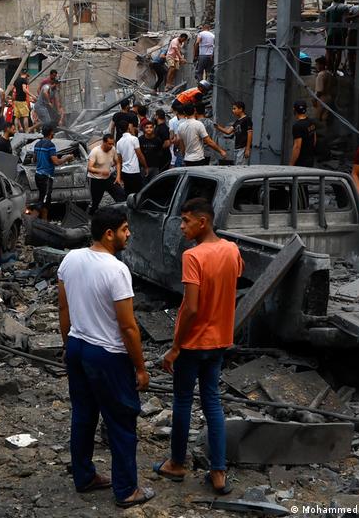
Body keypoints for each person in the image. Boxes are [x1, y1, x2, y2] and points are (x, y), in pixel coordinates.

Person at [57, 207, 155, 509]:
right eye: (125, 229)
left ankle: (85, 476)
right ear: (109, 233)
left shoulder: (70, 259)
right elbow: (128, 327)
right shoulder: (116, 270)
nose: (129, 235)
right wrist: (140, 368)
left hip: (77, 345)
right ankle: (126, 490)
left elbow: (63, 310)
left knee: (84, 415)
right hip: (107, 355)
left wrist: (68, 344)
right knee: (122, 420)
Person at [153, 198, 242, 498]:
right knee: (213, 404)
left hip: (192, 342)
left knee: (182, 402)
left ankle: (177, 463)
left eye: (186, 221)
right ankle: (218, 472)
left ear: (202, 222)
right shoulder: (231, 250)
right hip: (219, 340)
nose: (181, 226)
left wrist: (175, 347)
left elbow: (190, 308)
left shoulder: (193, 256)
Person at [34, 126, 75, 220]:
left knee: (45, 201)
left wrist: (43, 159)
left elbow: (34, 159)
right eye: (53, 132)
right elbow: (56, 162)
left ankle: (44, 223)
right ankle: (30, 220)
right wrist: (67, 157)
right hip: (46, 177)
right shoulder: (50, 145)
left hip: (38, 176)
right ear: (51, 133)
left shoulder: (37, 144)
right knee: (43, 201)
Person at [87, 134, 127, 214]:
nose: (111, 146)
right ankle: (91, 218)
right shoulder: (95, 151)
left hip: (108, 178)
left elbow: (118, 162)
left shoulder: (113, 149)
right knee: (95, 203)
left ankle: (122, 214)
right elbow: (89, 168)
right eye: (109, 144)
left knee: (121, 195)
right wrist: (101, 171)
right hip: (96, 180)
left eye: (113, 144)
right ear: (104, 142)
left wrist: (118, 176)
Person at [116, 123, 148, 195]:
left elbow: (119, 160)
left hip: (125, 171)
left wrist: (119, 175)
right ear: (129, 128)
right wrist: (145, 167)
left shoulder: (118, 142)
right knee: (138, 193)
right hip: (134, 171)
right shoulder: (134, 139)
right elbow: (140, 155)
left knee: (128, 193)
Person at [324, 0, 351, 72]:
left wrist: (327, 32)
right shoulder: (345, 7)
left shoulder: (329, 9)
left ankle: (329, 70)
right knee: (339, 52)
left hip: (330, 32)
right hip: (340, 32)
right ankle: (335, 71)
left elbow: (326, 24)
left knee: (329, 52)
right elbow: (346, 20)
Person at [289, 102, 317, 167]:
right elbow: (314, 140)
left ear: (294, 110)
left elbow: (297, 147)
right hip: (310, 160)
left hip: (300, 162)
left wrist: (291, 164)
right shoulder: (311, 122)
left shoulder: (297, 126)